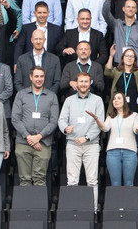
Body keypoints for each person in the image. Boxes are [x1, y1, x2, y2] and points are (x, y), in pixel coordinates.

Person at [58, 72, 105, 207]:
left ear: (90, 83)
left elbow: (100, 123)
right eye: (81, 81)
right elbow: (61, 120)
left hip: (91, 145)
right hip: (72, 144)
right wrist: (65, 128)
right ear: (76, 84)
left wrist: (86, 137)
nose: (83, 84)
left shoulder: (97, 100)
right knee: (72, 181)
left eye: (86, 81)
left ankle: (93, 211)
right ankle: (73, 210)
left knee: (92, 181)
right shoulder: (69, 100)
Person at [11, 66, 60, 186]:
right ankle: (25, 205)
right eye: (36, 76)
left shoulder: (51, 96)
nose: (39, 79)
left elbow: (54, 121)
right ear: (31, 77)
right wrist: (29, 137)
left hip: (43, 143)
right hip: (23, 142)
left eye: (41, 76)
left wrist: (39, 137)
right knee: (24, 179)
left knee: (40, 179)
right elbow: (15, 118)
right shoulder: (21, 94)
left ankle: (39, 205)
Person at [92, 92, 138, 186]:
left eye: (119, 98)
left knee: (129, 183)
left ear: (124, 101)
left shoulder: (134, 115)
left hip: (130, 152)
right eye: (114, 99)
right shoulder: (110, 117)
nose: (116, 100)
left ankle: (128, 201)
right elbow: (105, 128)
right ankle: (116, 201)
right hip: (113, 152)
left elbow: (136, 130)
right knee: (115, 183)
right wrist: (96, 118)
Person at [14, 29, 62, 94]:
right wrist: (26, 97)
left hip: (48, 100)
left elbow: (57, 82)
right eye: (36, 39)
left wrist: (48, 96)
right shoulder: (22, 59)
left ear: (44, 40)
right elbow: (18, 82)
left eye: (40, 39)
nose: (38, 41)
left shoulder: (54, 59)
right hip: (27, 100)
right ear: (31, 40)